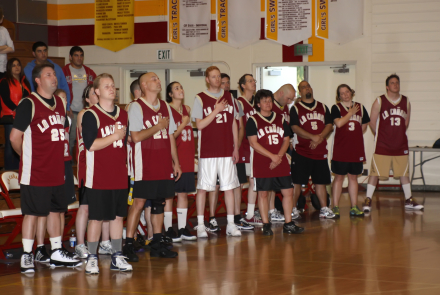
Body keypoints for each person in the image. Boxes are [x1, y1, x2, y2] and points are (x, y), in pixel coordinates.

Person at [10, 63, 81, 274]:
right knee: (32, 213)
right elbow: (14, 138)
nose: (54, 77)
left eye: (54, 74)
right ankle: (26, 255)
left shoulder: (59, 103)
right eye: (48, 74)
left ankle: (57, 250)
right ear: (38, 80)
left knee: (56, 211)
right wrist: (27, 157)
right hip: (36, 171)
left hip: (57, 168)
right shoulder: (28, 103)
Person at [123, 72, 181, 261]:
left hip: (163, 162)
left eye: (158, 78)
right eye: (154, 79)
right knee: (139, 203)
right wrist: (158, 126)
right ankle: (128, 245)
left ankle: (157, 243)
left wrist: (176, 162)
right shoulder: (136, 107)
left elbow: (171, 136)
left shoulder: (165, 106)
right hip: (143, 163)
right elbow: (136, 137)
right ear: (145, 85)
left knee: (159, 203)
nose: (158, 81)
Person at [82, 73, 132, 274]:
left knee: (118, 217)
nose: (112, 88)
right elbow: (91, 145)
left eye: (113, 85)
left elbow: (124, 143)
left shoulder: (124, 114)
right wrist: (114, 136)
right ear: (97, 91)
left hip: (120, 174)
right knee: (96, 218)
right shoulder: (90, 114)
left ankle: (117, 256)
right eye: (106, 86)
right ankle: (92, 258)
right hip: (99, 176)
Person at [192, 66, 241, 238]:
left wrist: (236, 147)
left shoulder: (230, 97)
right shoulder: (200, 98)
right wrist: (216, 111)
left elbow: (234, 124)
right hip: (208, 151)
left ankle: (230, 224)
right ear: (207, 79)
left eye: (219, 76)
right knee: (204, 188)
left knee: (229, 187)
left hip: (227, 150)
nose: (217, 79)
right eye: (213, 77)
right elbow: (199, 125)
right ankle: (199, 225)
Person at [246, 89, 304, 235]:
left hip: (280, 160)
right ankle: (266, 224)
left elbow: (286, 140)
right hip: (262, 161)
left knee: (288, 191)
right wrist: (272, 156)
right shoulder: (253, 120)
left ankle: (288, 223)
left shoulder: (280, 118)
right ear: (258, 104)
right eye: (264, 101)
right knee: (263, 194)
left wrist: (278, 156)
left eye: (270, 101)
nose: (268, 103)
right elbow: (253, 143)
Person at [363, 74, 423, 212]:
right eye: (392, 83)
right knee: (374, 172)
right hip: (383, 144)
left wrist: (397, 134)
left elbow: (405, 122)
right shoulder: (379, 101)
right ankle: (368, 199)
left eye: (397, 82)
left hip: (400, 144)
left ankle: (409, 200)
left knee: (404, 173)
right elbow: (372, 122)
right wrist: (381, 135)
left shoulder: (406, 101)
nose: (395, 85)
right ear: (387, 86)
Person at [74, 85, 112, 259]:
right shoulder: (86, 113)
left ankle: (105, 242)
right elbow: (90, 137)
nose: (97, 95)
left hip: (103, 164)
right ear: (88, 99)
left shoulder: (106, 114)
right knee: (85, 207)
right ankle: (80, 244)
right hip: (87, 164)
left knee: (104, 207)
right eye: (93, 93)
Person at [290, 81, 335, 219]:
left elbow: (329, 125)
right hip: (302, 152)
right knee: (297, 182)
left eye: (308, 86)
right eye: (303, 87)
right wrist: (312, 137)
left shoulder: (322, 106)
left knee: (320, 182)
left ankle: (324, 208)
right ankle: (292, 209)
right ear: (300, 91)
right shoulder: (295, 108)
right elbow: (294, 127)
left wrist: (319, 137)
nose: (307, 88)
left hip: (319, 152)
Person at [164, 81, 197, 241]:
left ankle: (183, 228)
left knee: (183, 194)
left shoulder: (187, 110)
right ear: (170, 94)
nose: (180, 90)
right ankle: (168, 229)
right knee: (170, 195)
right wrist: (184, 123)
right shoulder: (167, 110)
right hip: (173, 158)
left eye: (181, 87)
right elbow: (171, 137)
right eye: (176, 88)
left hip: (187, 157)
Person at [331, 84, 370, 217]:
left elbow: (364, 126)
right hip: (340, 149)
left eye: (347, 92)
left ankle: (354, 206)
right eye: (342, 93)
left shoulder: (360, 107)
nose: (345, 95)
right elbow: (339, 123)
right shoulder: (336, 108)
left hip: (355, 150)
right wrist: (350, 113)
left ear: (351, 92)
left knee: (353, 178)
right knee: (339, 177)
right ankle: (335, 206)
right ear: (339, 96)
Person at [266, 84, 297, 222]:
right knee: (268, 183)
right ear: (280, 94)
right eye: (289, 99)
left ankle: (275, 210)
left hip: (282, 149)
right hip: (270, 150)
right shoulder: (268, 105)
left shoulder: (285, 107)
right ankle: (269, 210)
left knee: (278, 183)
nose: (290, 102)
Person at [62, 46, 96, 154]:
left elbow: (96, 90)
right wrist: (66, 107)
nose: (79, 58)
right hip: (71, 111)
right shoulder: (64, 71)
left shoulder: (89, 72)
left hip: (86, 111)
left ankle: (83, 163)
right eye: (76, 55)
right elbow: (58, 91)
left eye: (81, 55)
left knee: (87, 138)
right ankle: (70, 165)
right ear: (70, 57)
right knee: (71, 139)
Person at [236, 74, 260, 225]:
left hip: (255, 148)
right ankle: (237, 215)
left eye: (254, 81)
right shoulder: (239, 103)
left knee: (253, 180)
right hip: (242, 147)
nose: (253, 83)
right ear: (243, 85)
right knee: (239, 183)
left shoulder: (257, 103)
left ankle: (250, 214)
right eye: (250, 81)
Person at [0, 58, 30, 170]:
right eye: (13, 65)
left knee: (23, 143)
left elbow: (29, 99)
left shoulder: (25, 82)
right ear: (9, 68)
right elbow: (6, 99)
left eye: (18, 65)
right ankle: (9, 169)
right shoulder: (4, 81)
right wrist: (17, 109)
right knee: (10, 144)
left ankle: (20, 168)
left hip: (24, 117)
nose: (17, 67)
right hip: (11, 117)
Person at [24, 41, 70, 110]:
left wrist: (67, 106)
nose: (43, 53)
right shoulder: (28, 70)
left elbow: (64, 87)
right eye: (39, 51)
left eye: (45, 50)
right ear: (34, 53)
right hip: (38, 105)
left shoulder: (56, 68)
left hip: (58, 104)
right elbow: (30, 89)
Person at [0, 8, 14, 79]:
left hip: (3, 68)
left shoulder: (4, 30)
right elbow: (8, 47)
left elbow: (12, 48)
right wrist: (5, 46)